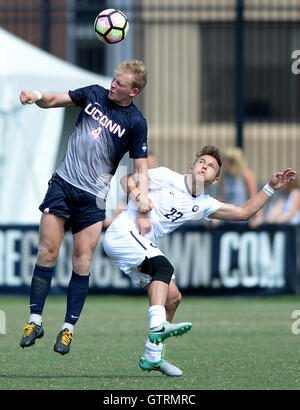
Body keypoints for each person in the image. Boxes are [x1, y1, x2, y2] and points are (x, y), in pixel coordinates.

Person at [103, 145, 296, 376]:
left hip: (141, 244)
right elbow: (126, 180)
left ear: (215, 180)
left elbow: (244, 212)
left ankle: (152, 356)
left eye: (212, 166)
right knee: (163, 267)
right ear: (191, 167)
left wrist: (270, 188)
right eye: (202, 162)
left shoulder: (204, 204)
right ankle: (157, 327)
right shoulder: (166, 176)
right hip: (122, 233)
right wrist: (140, 201)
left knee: (173, 298)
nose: (205, 166)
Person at [19, 60, 152, 355]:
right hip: (63, 186)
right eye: (114, 79)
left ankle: (67, 329)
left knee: (82, 260)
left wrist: (143, 205)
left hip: (93, 199)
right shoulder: (93, 93)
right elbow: (53, 100)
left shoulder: (136, 122)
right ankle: (34, 320)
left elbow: (140, 168)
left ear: (134, 91)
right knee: (47, 252)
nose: (113, 84)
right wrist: (36, 95)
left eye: (119, 83)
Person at [217, 147, 262, 227]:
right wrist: (215, 218)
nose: (222, 164)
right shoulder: (224, 176)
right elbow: (222, 198)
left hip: (245, 221)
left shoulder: (246, 174)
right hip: (228, 220)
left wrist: (258, 217)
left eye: (224, 161)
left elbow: (253, 196)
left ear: (232, 162)